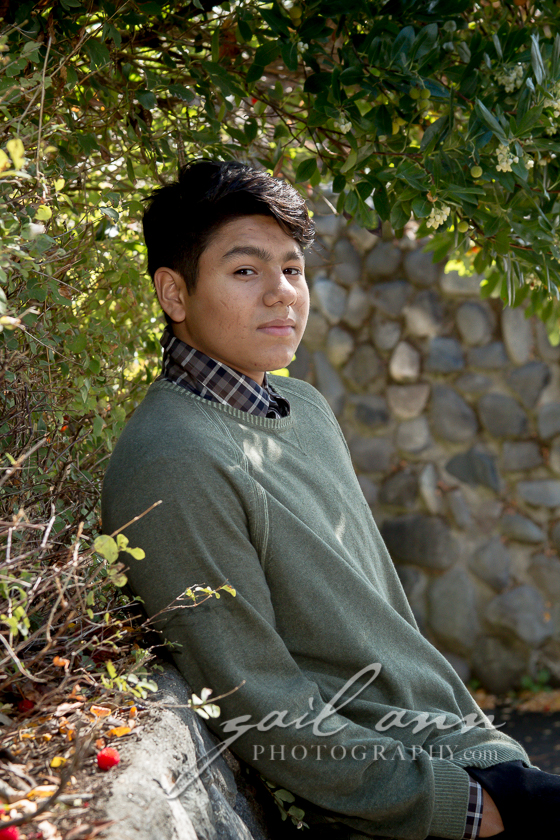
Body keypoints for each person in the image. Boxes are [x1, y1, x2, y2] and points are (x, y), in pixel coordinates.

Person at [101, 159, 559, 840]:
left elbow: (379, 623)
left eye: (292, 269)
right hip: (403, 801)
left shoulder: (303, 407)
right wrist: (461, 807)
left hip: (468, 752)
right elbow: (255, 699)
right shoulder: (174, 458)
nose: (282, 294)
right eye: (246, 270)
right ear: (175, 292)